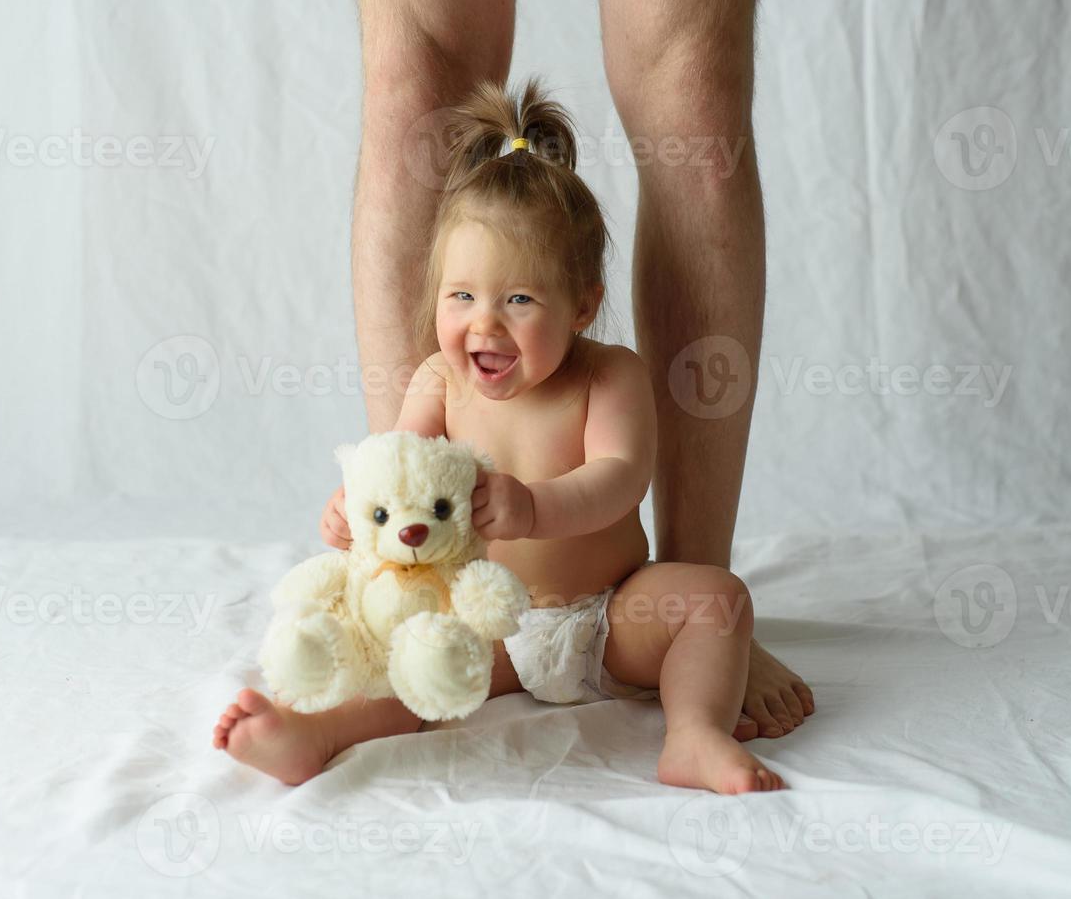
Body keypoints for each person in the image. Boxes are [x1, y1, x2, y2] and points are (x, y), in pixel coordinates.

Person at [216, 78, 794, 794]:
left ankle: (695, 735)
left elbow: (621, 476)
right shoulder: (438, 382)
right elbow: (399, 479)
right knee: (408, 648)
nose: (484, 324)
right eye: (461, 297)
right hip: (488, 625)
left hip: (608, 620)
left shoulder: (609, 376)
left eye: (518, 300)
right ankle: (316, 732)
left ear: (583, 304)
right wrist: (356, 512)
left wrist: (534, 507)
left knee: (718, 600)